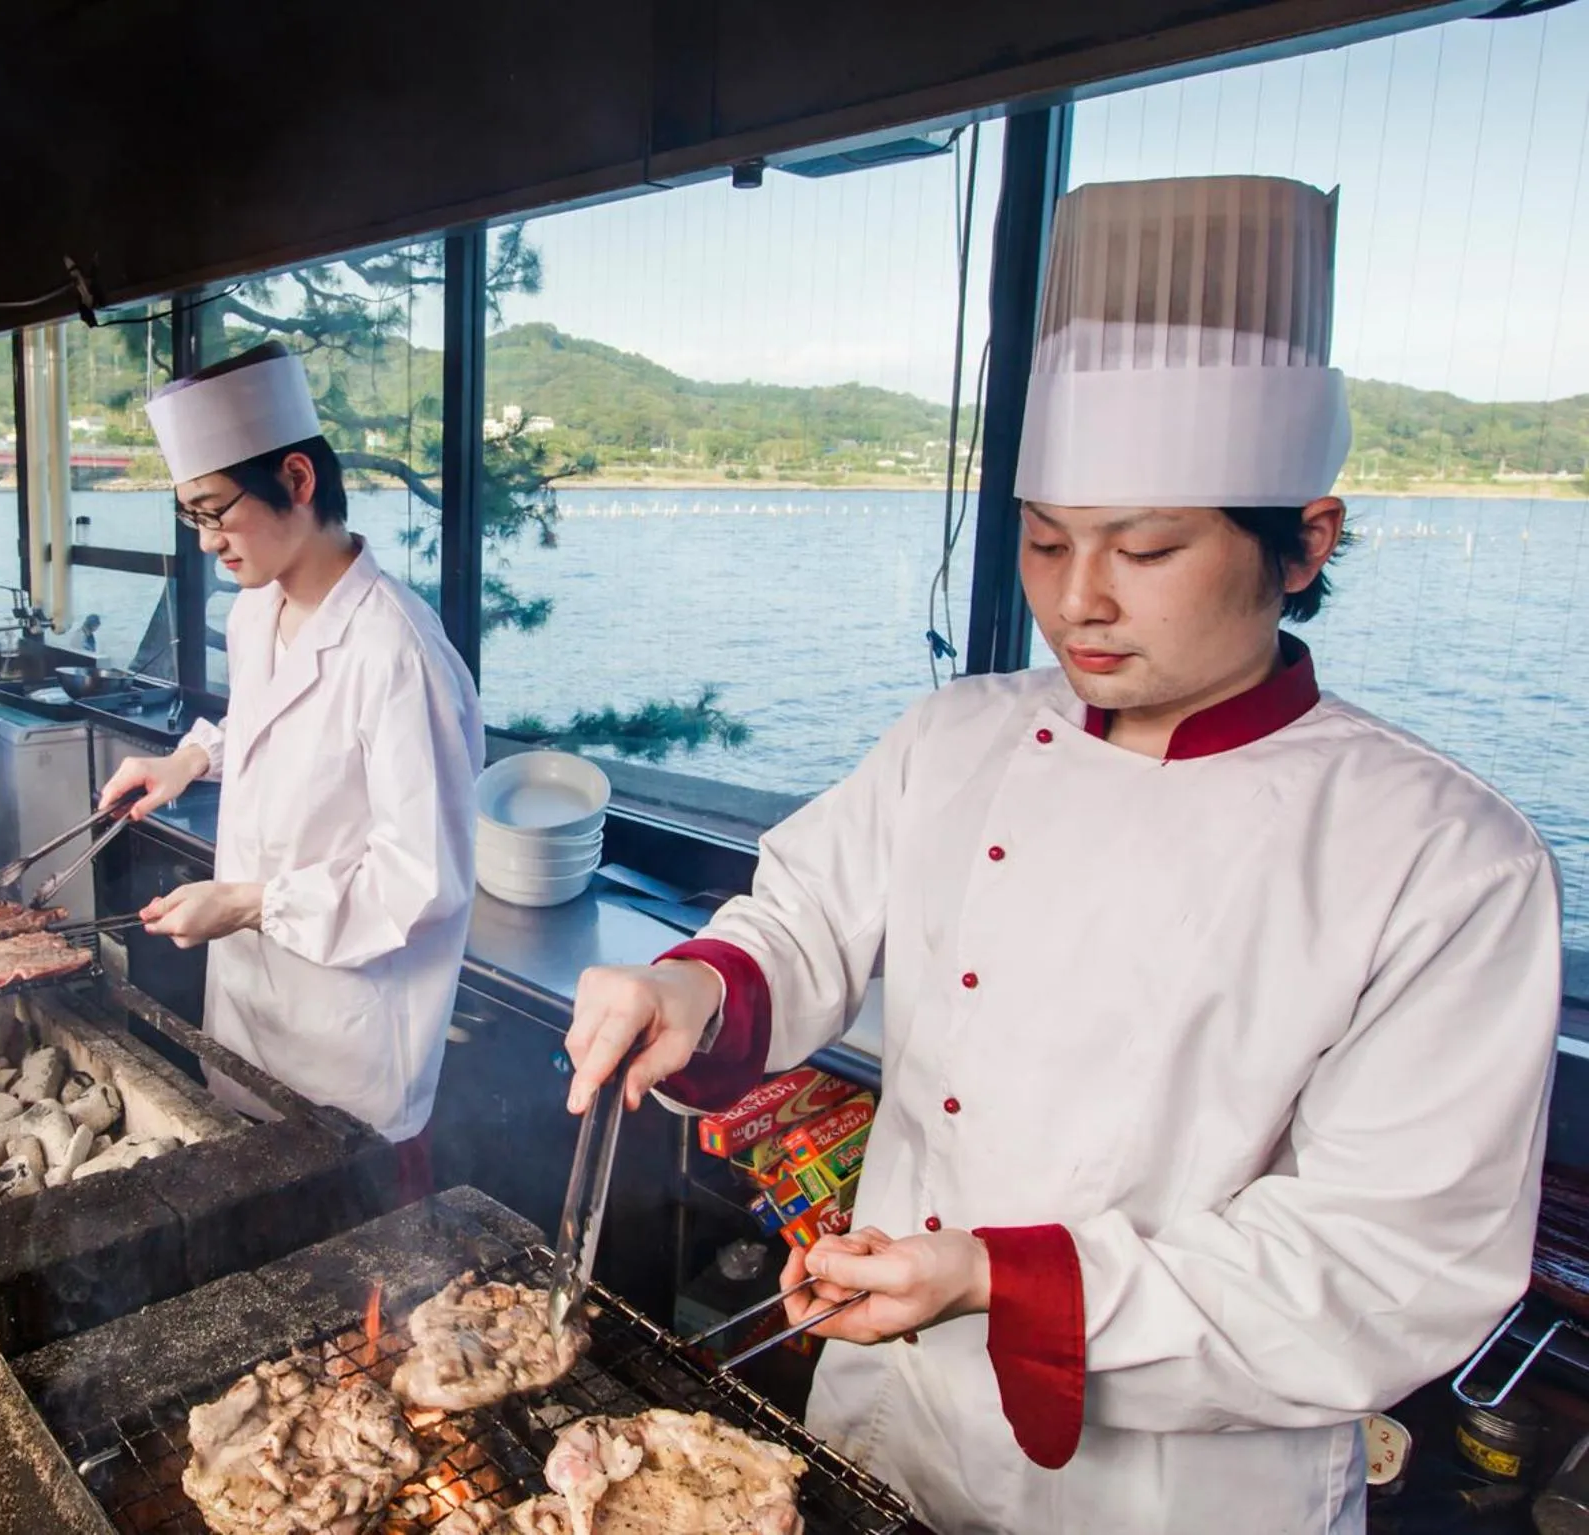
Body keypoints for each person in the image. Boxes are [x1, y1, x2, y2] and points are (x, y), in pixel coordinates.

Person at [564, 175, 1563, 1534]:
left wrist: (996, 1275)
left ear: (1303, 541)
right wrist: (695, 987)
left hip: (1175, 1482)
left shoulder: (1442, 856)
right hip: (894, 1404)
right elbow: (806, 914)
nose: (1078, 599)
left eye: (1145, 547)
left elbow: (1387, 1256)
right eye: (1044, 540)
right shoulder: (961, 732)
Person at [97, 341, 483, 1202]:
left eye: (215, 512)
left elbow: (422, 880)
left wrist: (246, 902)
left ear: (298, 481)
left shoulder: (399, 654)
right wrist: (189, 758)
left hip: (346, 1053)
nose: (205, 543)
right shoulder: (256, 607)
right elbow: (269, 721)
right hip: (249, 1015)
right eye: (191, 517)